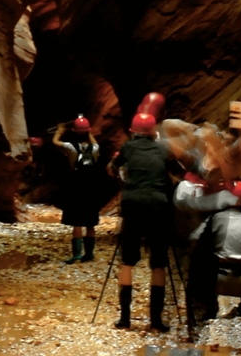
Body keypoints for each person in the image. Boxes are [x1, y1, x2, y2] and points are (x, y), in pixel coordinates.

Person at [110, 111, 174, 332]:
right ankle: (156, 321)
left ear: (134, 132)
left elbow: (113, 167)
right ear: (153, 132)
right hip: (158, 204)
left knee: (127, 260)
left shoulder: (128, 148)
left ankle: (125, 319)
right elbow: (172, 175)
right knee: (158, 263)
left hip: (133, 203)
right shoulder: (163, 149)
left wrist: (125, 180)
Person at [173, 170, 239, 318]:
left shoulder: (191, 194)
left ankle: (200, 308)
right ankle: (206, 307)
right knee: (204, 273)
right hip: (204, 246)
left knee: (197, 273)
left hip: (197, 244)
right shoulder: (220, 199)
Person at [200, 181, 241, 318]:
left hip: (215, 281)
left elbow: (202, 251)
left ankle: (211, 307)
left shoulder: (215, 219)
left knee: (200, 271)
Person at [52, 116, 101, 263]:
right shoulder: (95, 148)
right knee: (90, 222)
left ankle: (77, 254)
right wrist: (89, 131)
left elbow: (55, 143)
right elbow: (94, 142)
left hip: (76, 187)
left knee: (77, 221)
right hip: (91, 188)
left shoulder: (71, 147)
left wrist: (59, 131)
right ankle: (89, 254)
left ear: (74, 132)